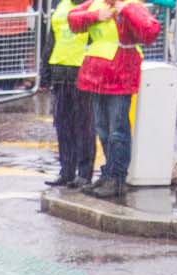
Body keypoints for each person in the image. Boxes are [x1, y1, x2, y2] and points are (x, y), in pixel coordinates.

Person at [69, 0, 156, 201]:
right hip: (98, 76)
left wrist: (125, 9)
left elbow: (150, 30)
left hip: (119, 75)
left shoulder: (130, 6)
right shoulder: (95, 4)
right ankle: (109, 173)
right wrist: (95, 16)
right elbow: (73, 20)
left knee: (117, 130)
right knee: (103, 129)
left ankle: (117, 178)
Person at [43, 0, 93, 188]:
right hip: (60, 73)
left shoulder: (93, 7)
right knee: (63, 126)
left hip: (81, 73)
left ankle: (84, 173)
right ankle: (67, 171)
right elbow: (52, 39)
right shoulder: (62, 5)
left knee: (83, 126)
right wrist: (45, 71)